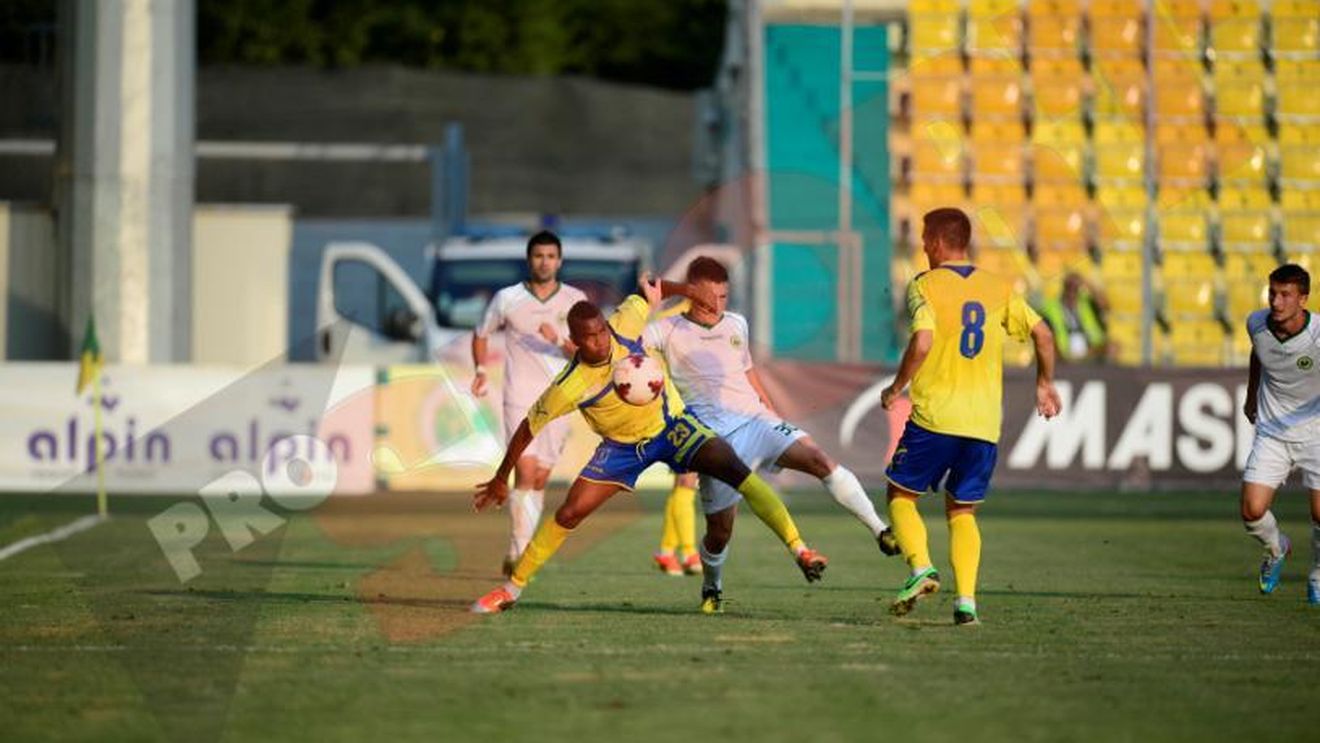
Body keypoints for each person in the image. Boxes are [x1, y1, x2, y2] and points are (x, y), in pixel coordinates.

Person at [470, 275, 829, 614]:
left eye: (601, 331)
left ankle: (800, 550)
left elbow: (652, 288)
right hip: (621, 449)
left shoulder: (624, 324)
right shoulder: (569, 385)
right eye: (590, 338)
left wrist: (690, 291)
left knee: (737, 470)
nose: (600, 341)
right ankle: (511, 589)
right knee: (569, 513)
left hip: (671, 427)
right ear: (575, 341)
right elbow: (526, 429)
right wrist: (502, 477)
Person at [645, 257, 899, 614]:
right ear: (691, 292)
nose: (718, 304)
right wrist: (659, 297)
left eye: (724, 296)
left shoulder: (737, 323)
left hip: (758, 422)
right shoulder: (665, 330)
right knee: (720, 532)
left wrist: (772, 412)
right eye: (710, 296)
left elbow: (747, 372)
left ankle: (880, 530)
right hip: (716, 443)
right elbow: (622, 339)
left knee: (818, 458)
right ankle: (712, 586)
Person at [880, 207, 1062, 626]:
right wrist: (1044, 383)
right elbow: (1044, 334)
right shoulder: (997, 287)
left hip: (936, 416)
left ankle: (921, 568)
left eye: (925, 240)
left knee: (900, 495)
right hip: (983, 424)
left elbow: (922, 341)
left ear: (937, 242)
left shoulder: (924, 285)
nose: (923, 247)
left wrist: (896, 387)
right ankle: (966, 605)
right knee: (962, 511)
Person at [471, 230, 587, 577]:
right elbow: (481, 333)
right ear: (529, 260)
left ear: (560, 261)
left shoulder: (575, 299)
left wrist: (560, 340)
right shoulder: (507, 298)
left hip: (560, 397)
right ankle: (520, 552)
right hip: (519, 395)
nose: (544, 262)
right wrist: (480, 370)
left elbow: (588, 353)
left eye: (550, 256)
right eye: (538, 256)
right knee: (524, 470)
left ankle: (518, 546)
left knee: (539, 478)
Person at [1239, 264, 1320, 605]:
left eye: (1286, 295)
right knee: (1251, 511)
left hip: (1315, 432)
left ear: (1303, 299)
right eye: (1273, 293)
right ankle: (1277, 549)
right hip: (1272, 431)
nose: (1276, 301)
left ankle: (1317, 576)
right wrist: (1251, 394)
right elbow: (1259, 353)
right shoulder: (1256, 324)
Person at [1038, 272, 1111, 362]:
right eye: (1069, 286)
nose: (1071, 291)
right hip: (1065, 353)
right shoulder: (1051, 306)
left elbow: (1105, 306)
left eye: (1075, 288)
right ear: (1063, 287)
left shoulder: (1087, 301)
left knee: (1112, 347)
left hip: (1091, 350)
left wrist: (1088, 284)